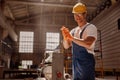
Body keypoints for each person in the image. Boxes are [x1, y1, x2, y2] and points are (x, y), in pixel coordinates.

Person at [61, 2, 97, 80]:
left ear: (85, 14)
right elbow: (66, 46)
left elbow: (88, 43)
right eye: (75, 14)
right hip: (76, 64)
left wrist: (72, 38)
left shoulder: (90, 27)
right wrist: (65, 37)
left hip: (86, 64)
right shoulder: (73, 31)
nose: (77, 17)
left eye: (80, 14)